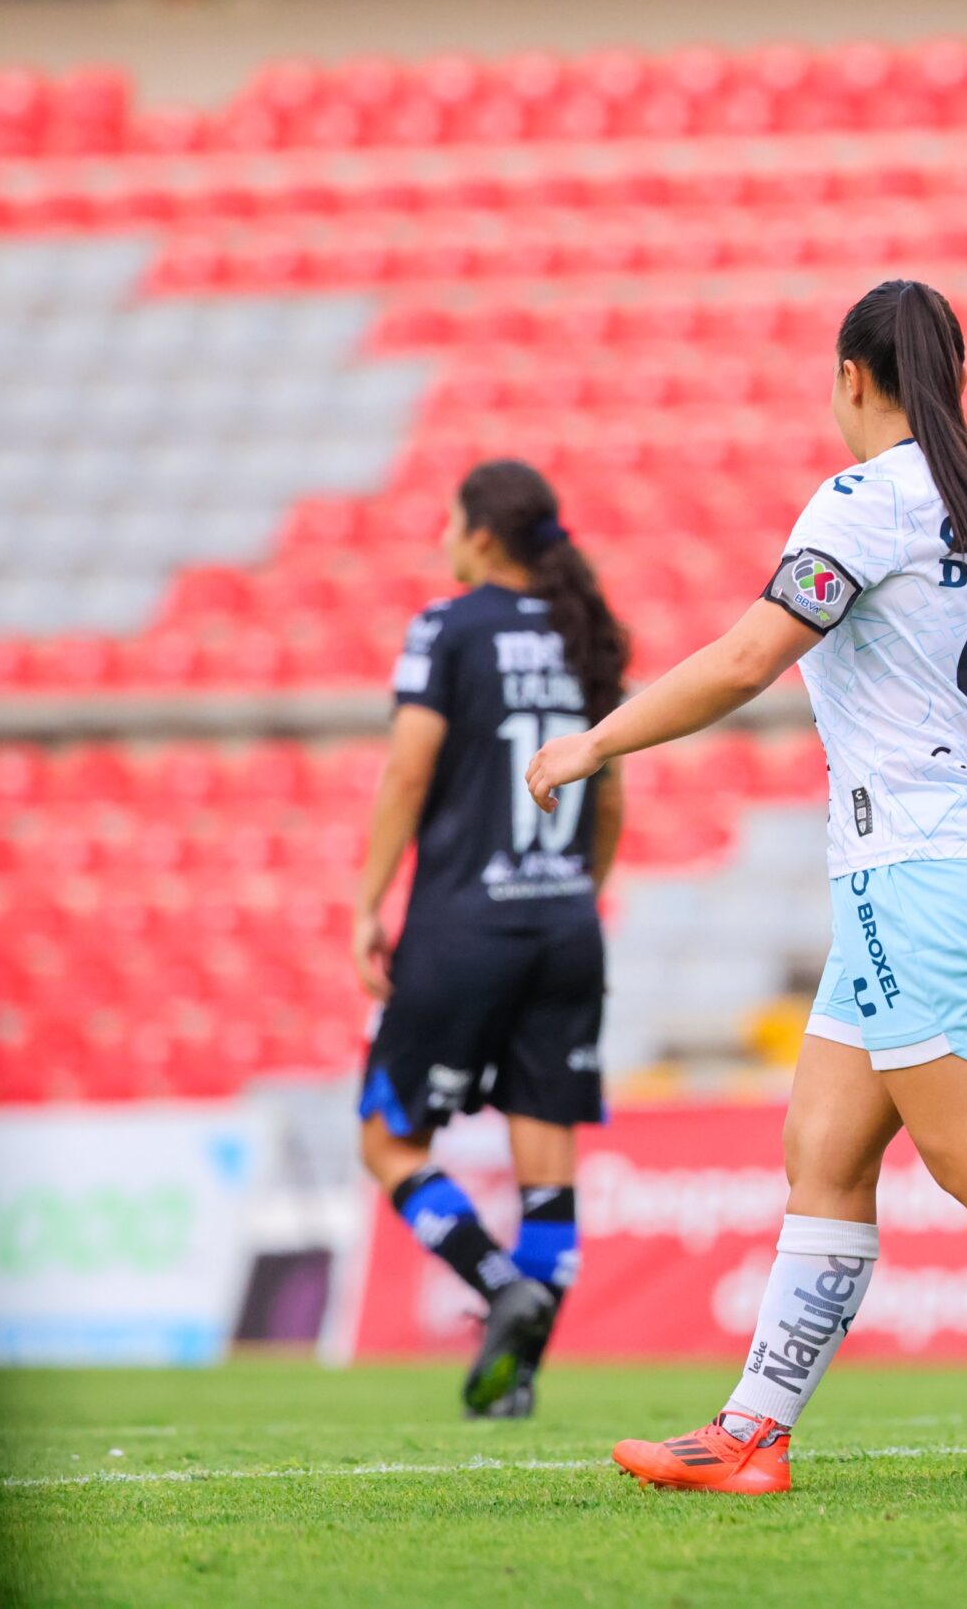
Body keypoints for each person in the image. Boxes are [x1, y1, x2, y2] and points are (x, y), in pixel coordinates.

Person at [529, 279, 967, 1499]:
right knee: (825, 1147)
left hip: (914, 868)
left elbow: (747, 657)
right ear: (953, 378)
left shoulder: (862, 502)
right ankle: (752, 1432)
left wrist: (593, 743)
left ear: (852, 379)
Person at [351, 456, 627, 1419]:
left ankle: (495, 1281)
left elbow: (407, 771)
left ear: (476, 533)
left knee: (389, 1142)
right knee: (545, 1161)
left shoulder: (446, 625)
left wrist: (367, 905)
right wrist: (573, 896)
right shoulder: (584, 630)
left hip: (463, 928)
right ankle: (521, 1376)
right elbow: (614, 790)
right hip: (565, 927)